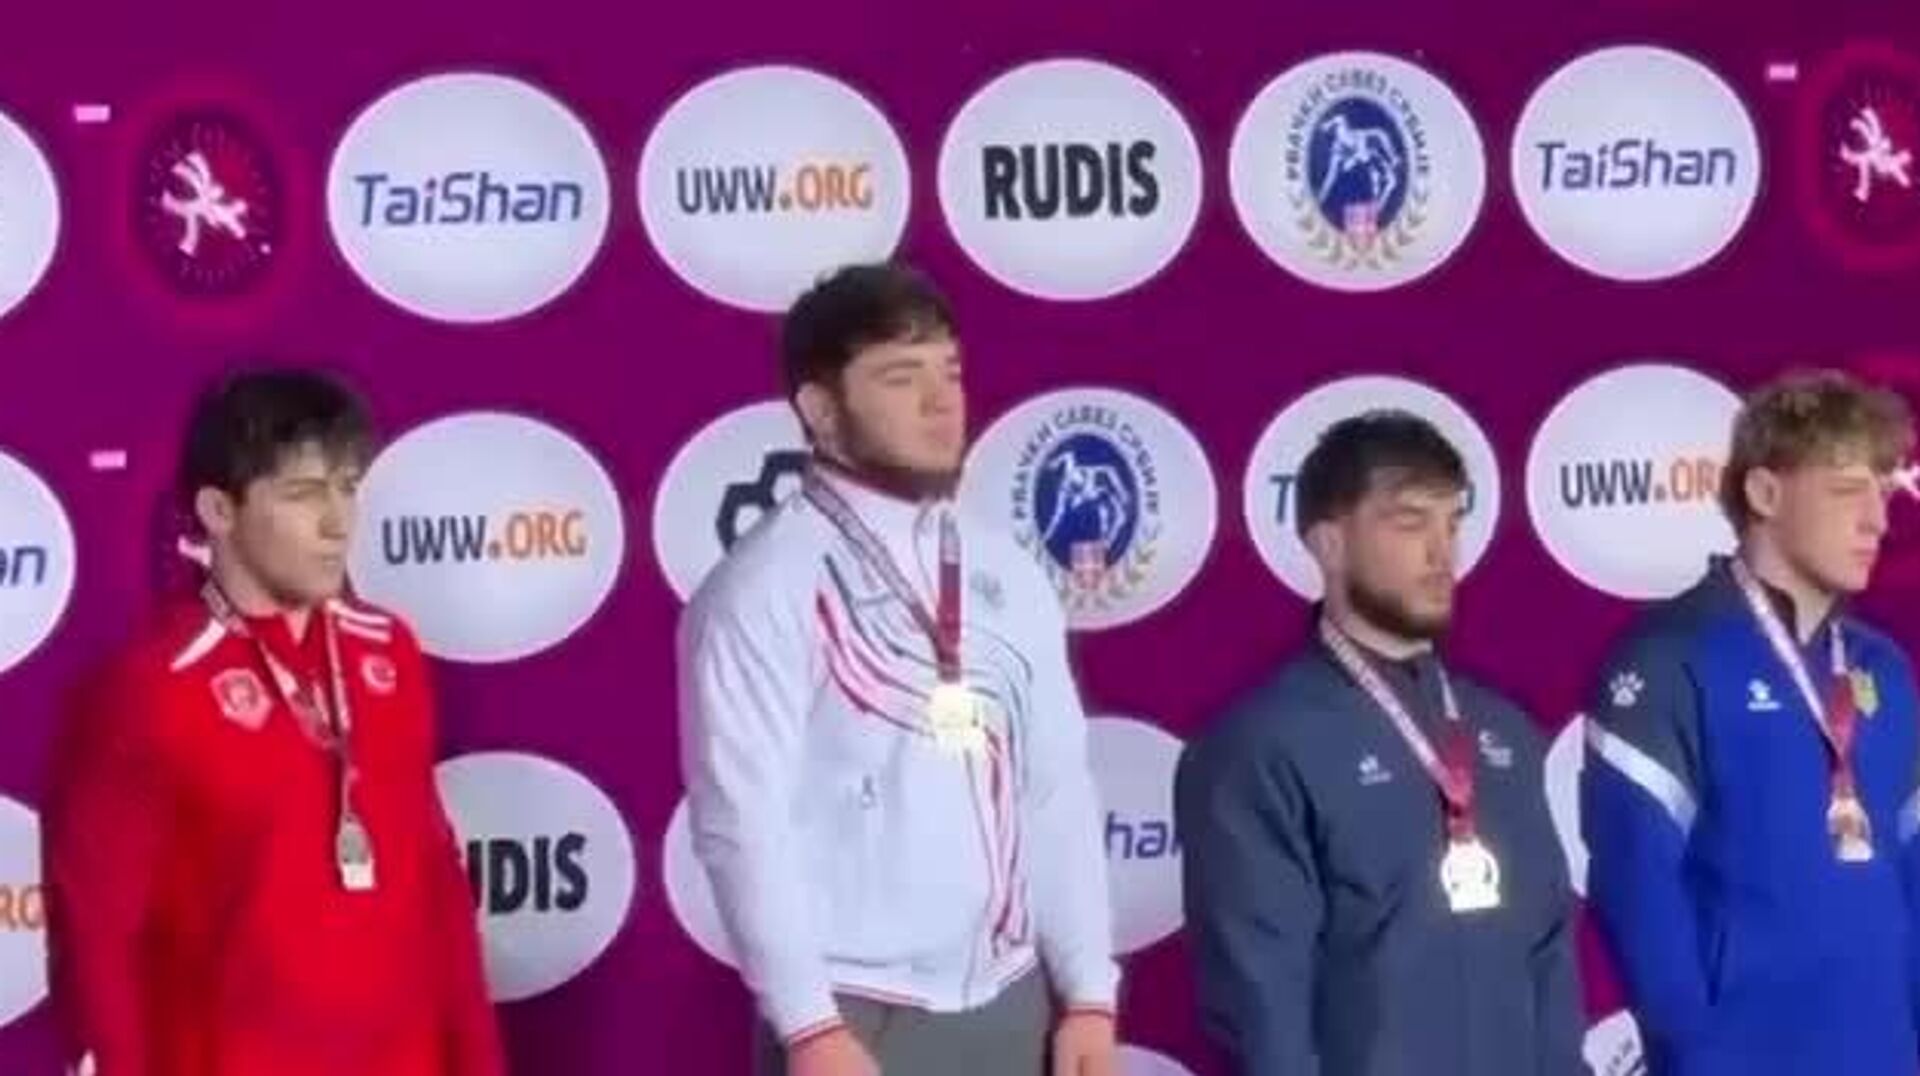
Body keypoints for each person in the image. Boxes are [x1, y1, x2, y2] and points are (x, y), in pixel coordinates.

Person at [676, 262, 1119, 1076]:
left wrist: (1089, 992)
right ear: (821, 410)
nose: (942, 402)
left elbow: (1055, 789)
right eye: (901, 377)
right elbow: (741, 821)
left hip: (1012, 1000)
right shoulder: (762, 588)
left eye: (949, 371)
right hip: (855, 1017)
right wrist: (808, 1025)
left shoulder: (1005, 569)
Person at [42, 369, 502, 1076]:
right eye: (302, 493)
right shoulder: (146, 691)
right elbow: (96, 941)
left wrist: (478, 1063)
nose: (337, 523)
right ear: (218, 511)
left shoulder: (389, 653)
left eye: (347, 487)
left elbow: (437, 885)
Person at [1176, 411, 1583, 1075]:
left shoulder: (1503, 731)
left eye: (1452, 522)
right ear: (1329, 544)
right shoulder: (1257, 747)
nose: (1442, 553)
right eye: (1410, 521)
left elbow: (1549, 954)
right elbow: (1263, 1007)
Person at [1582, 369, 1920, 1074]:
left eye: (1883, 493)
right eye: (1846, 491)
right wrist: (1701, 1052)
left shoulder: (1882, 667)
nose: (1878, 522)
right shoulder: (1671, 657)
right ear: (1765, 494)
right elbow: (1637, 885)